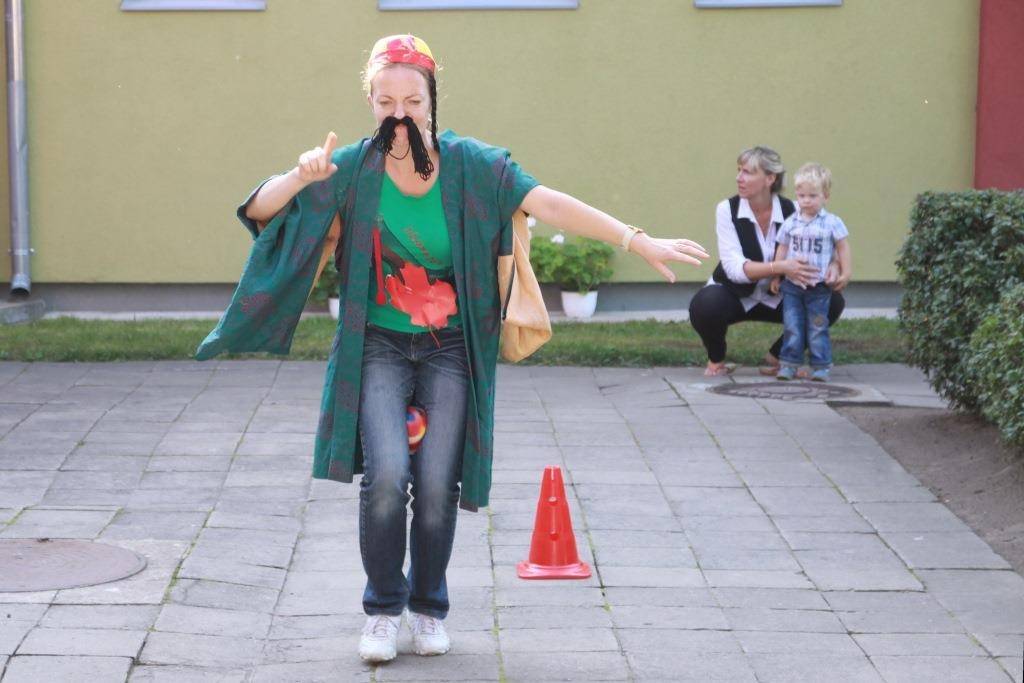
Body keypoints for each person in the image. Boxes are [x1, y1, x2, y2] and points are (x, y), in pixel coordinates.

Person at [196, 35, 708, 663]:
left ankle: (427, 607)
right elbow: (260, 211)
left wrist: (636, 239)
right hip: (377, 344)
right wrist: (299, 176)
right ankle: (383, 610)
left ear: (432, 100)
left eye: (413, 101)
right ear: (371, 103)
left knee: (437, 483)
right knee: (387, 477)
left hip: (450, 348)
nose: (400, 115)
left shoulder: (474, 166)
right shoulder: (351, 168)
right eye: (386, 103)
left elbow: (546, 201)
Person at [687, 146, 850, 377]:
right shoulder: (726, 209)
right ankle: (716, 360)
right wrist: (780, 267)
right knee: (705, 305)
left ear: (770, 178)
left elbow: (827, 246)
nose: (739, 178)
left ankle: (779, 357)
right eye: (739, 170)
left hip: (783, 294)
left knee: (831, 301)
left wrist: (834, 266)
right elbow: (733, 269)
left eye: (747, 172)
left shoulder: (795, 209)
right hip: (736, 294)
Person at [769, 163, 851, 382]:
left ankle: (821, 367)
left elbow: (843, 247)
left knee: (817, 327)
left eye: (812, 196)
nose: (806, 201)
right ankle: (788, 365)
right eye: (801, 195)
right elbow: (782, 248)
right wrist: (777, 274)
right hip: (793, 286)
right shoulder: (791, 222)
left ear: (825, 196)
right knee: (792, 326)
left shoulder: (832, 223)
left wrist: (845, 272)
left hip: (819, 287)